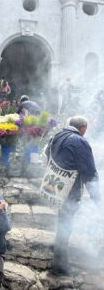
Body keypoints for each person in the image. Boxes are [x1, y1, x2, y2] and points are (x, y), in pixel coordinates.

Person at [45, 116, 100, 275]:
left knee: (63, 221)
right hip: (70, 191)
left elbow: (47, 153)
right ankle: (59, 265)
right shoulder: (80, 141)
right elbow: (89, 173)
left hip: (56, 187)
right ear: (82, 127)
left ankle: (58, 257)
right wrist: (97, 199)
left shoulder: (57, 135)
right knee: (65, 225)